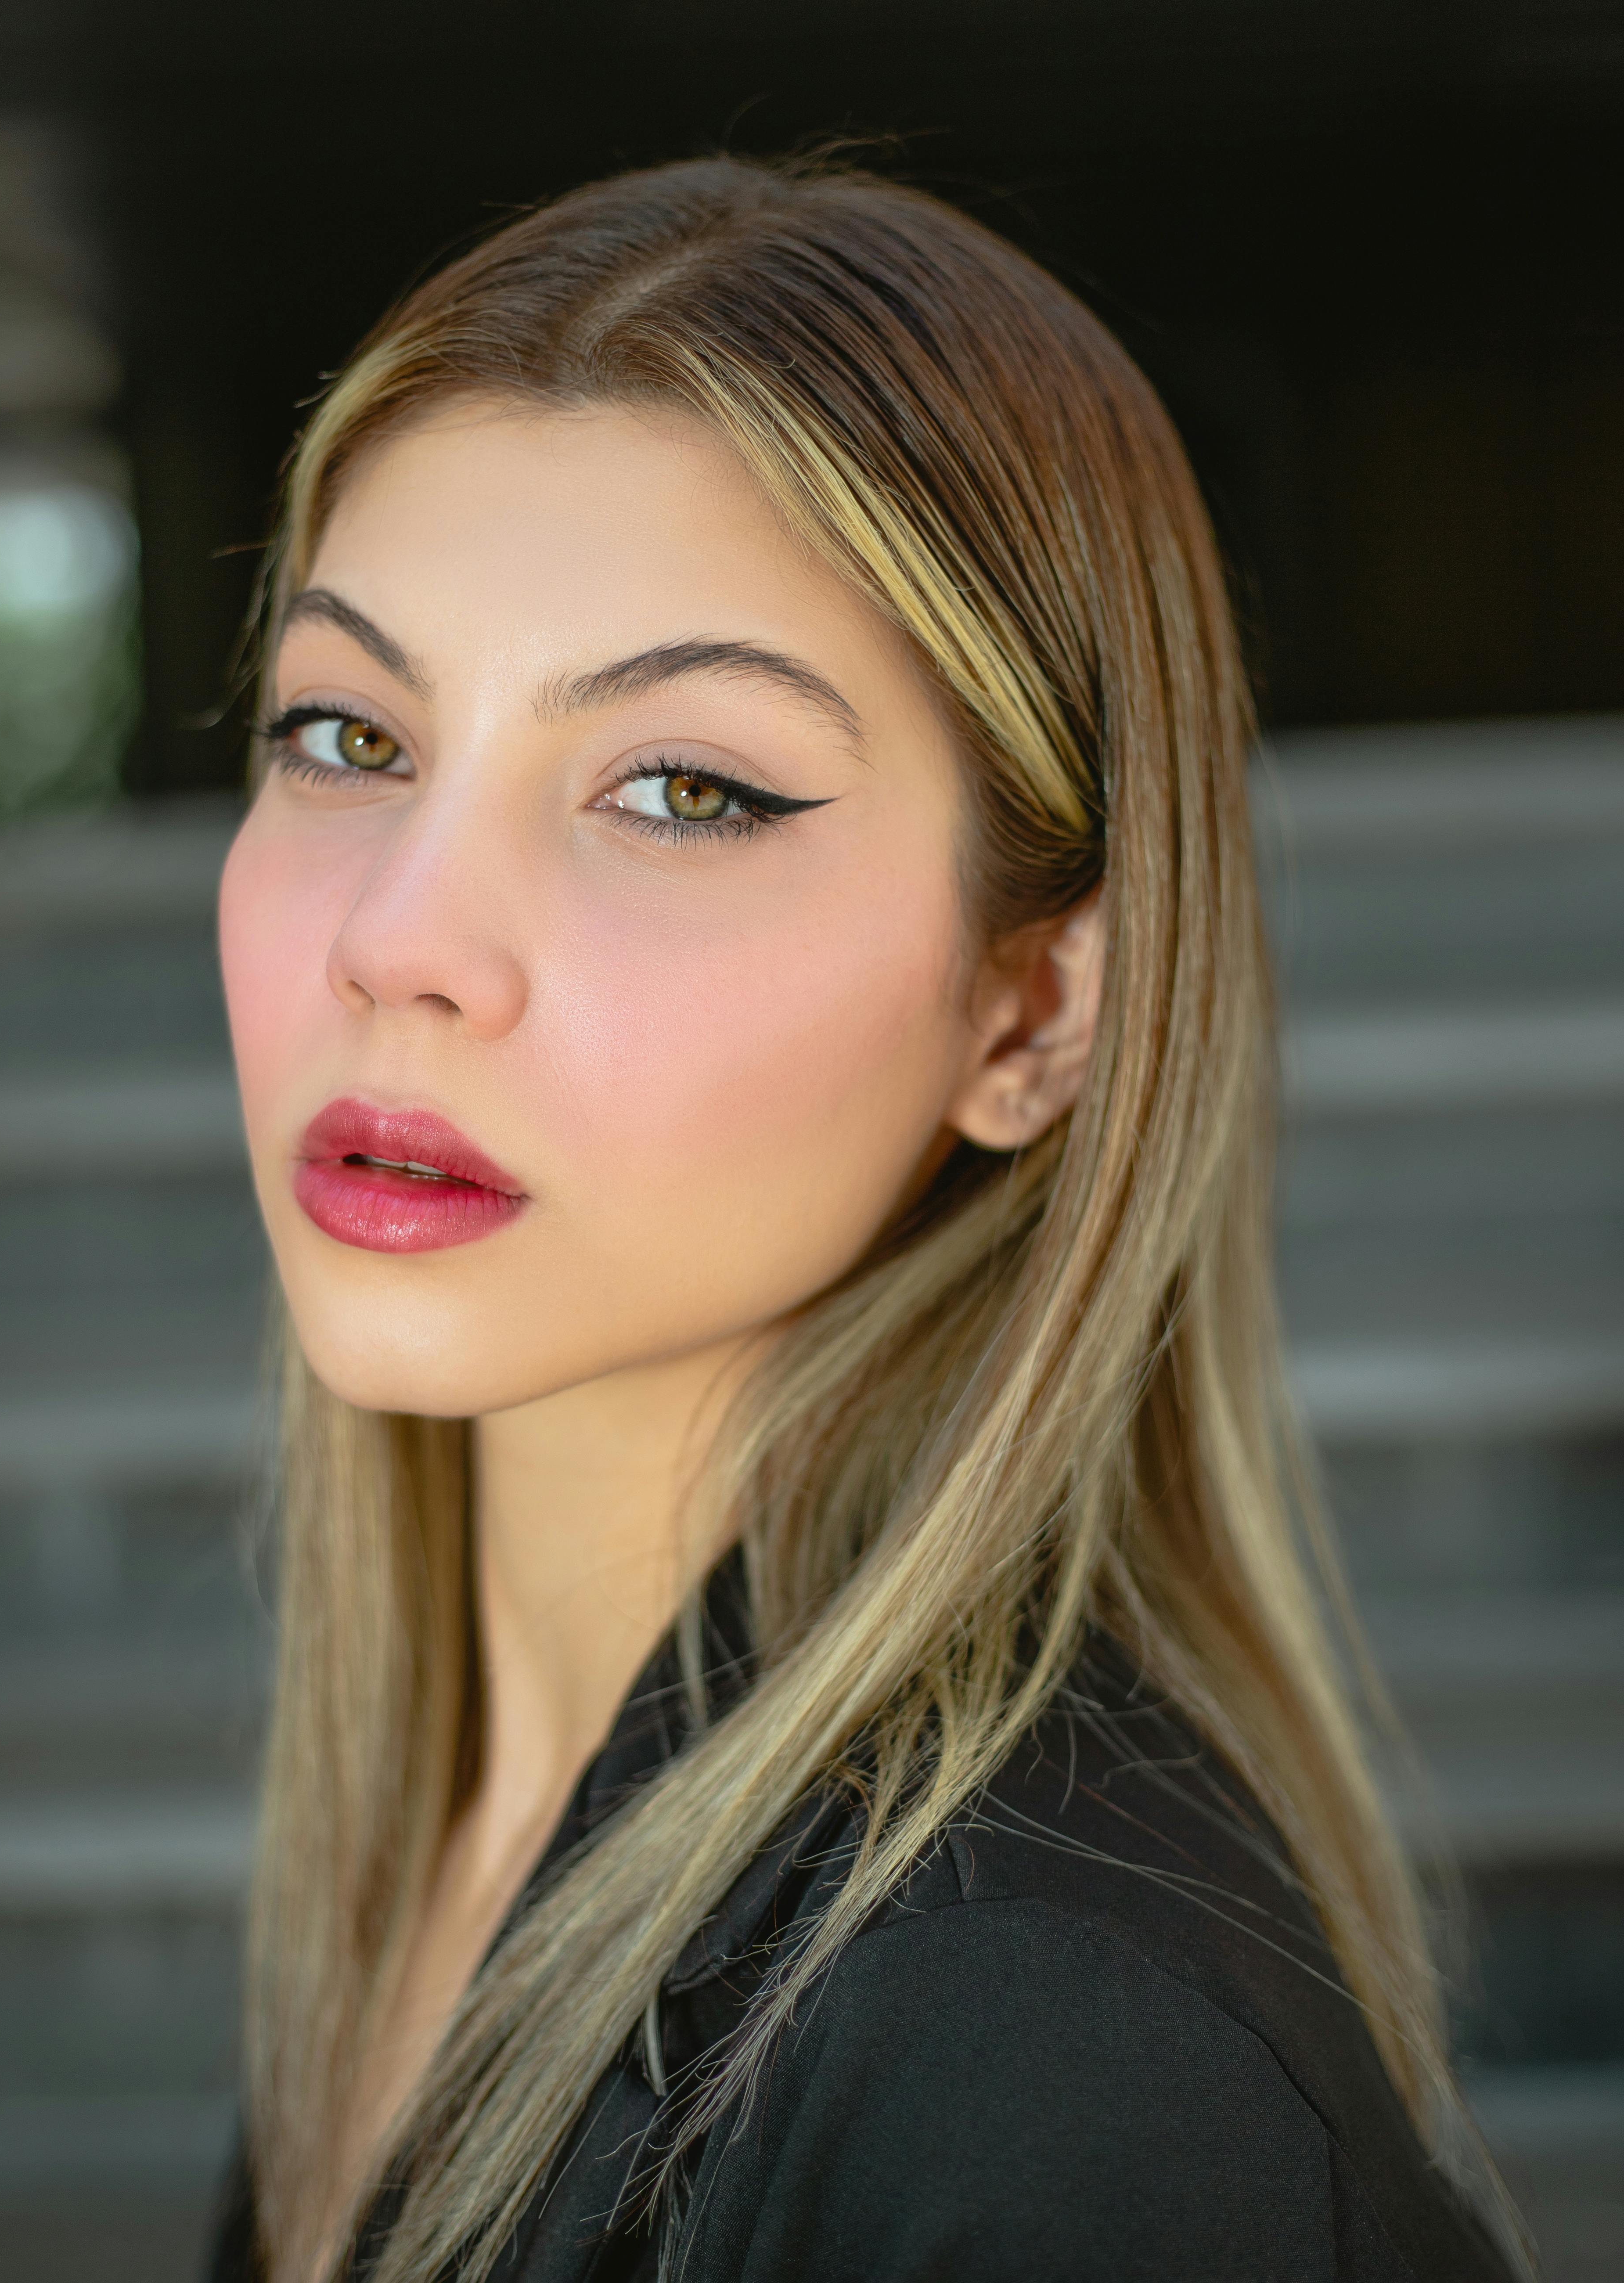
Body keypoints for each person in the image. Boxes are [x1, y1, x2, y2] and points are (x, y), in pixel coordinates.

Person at [208, 155, 1523, 2283]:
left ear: (1032, 1010)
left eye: (682, 788)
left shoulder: (1041, 2059)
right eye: (347, 734)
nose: (400, 936)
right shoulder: (454, 1834)